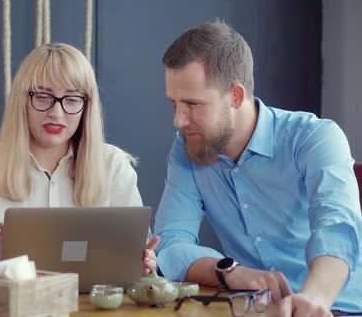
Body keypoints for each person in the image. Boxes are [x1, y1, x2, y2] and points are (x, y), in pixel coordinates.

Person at [153, 20, 362, 316]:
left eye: (193, 104)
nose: (178, 120)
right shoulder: (187, 147)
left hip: (336, 308)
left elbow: (337, 228)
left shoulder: (314, 137)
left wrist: (313, 298)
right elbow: (170, 245)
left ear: (236, 96)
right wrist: (229, 271)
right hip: (253, 309)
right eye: (173, 103)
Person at [0, 43, 158, 274]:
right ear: (23, 100)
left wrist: (142, 264)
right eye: (43, 96)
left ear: (86, 106)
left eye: (71, 99)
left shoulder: (114, 166)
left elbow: (136, 254)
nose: (56, 113)